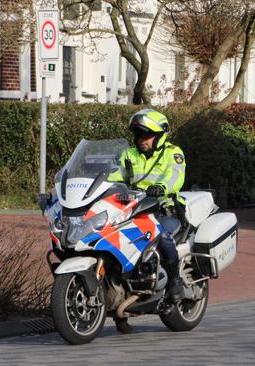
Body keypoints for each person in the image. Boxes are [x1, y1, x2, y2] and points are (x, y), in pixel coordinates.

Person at [111, 109, 186, 333]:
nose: (141, 140)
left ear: (160, 135)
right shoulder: (127, 155)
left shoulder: (173, 153)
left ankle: (175, 281)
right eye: (138, 135)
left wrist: (161, 188)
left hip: (165, 210)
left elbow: (175, 176)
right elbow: (112, 176)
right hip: (134, 211)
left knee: (160, 235)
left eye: (146, 135)